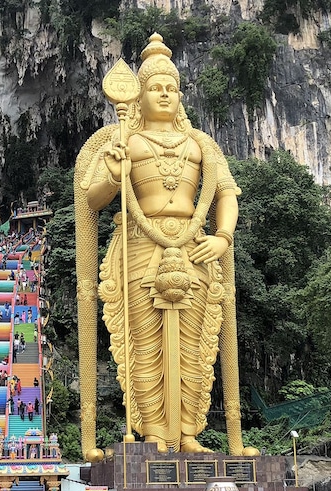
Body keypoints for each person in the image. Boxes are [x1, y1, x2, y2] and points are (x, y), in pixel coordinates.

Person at [75, 32, 245, 456]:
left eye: (171, 88)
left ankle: (188, 432)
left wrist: (222, 237)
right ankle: (152, 431)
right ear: (140, 95)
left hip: (194, 246)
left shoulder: (202, 144)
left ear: (181, 95)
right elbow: (91, 198)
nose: (164, 94)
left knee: (195, 344)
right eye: (155, 87)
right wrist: (115, 174)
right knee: (144, 343)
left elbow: (225, 193)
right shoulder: (125, 141)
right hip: (139, 245)